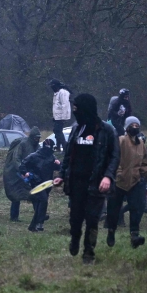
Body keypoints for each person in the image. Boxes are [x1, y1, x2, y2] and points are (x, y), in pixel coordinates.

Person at [58, 93, 119, 264]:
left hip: (96, 183)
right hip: (76, 183)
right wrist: (62, 175)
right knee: (75, 218)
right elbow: (68, 155)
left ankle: (89, 253)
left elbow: (115, 157)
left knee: (92, 219)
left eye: (76, 108)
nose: (74, 111)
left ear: (85, 108)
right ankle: (75, 238)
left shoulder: (107, 130)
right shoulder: (77, 129)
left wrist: (108, 177)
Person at [104, 116, 147, 249]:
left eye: (137, 125)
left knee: (137, 208)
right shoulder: (120, 141)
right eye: (132, 125)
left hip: (135, 181)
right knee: (113, 209)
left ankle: (134, 236)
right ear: (127, 127)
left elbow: (144, 163)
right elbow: (113, 158)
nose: (135, 127)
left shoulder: (141, 144)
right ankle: (111, 232)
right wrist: (118, 173)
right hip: (118, 182)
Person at [18, 138, 61, 232]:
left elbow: (59, 169)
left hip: (47, 184)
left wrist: (59, 164)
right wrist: (26, 173)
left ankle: (33, 226)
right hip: (36, 183)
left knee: (39, 205)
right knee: (43, 200)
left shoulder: (52, 157)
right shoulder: (33, 156)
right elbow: (22, 166)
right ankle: (40, 222)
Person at [3, 127, 41, 221]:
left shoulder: (37, 146)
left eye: (38, 138)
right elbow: (16, 158)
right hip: (17, 173)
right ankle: (14, 216)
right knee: (16, 195)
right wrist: (22, 171)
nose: (37, 140)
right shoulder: (23, 144)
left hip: (30, 173)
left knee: (35, 194)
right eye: (36, 138)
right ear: (32, 137)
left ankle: (39, 216)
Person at [49, 79, 71, 151]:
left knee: (58, 131)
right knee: (56, 131)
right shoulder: (57, 93)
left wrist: (63, 117)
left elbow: (65, 105)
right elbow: (56, 107)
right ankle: (58, 146)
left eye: (52, 86)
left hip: (61, 117)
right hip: (58, 117)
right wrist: (54, 117)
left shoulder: (63, 92)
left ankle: (64, 147)